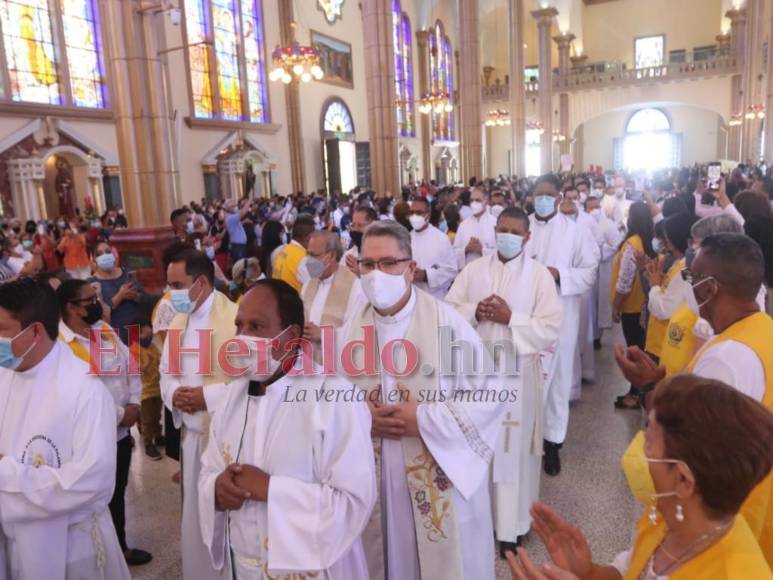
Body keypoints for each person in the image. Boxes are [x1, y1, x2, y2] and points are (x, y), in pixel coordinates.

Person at [340, 220, 507, 580]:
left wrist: (424, 419)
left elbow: (491, 396)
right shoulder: (350, 329)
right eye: (367, 265)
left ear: (410, 268)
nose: (375, 274)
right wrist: (361, 415)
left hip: (435, 470)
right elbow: (331, 398)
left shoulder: (448, 324)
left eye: (388, 263)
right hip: (374, 480)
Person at [509, 375, 773, 580]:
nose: (641, 452)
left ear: (683, 480)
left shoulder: (736, 572)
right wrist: (590, 573)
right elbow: (633, 570)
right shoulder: (667, 516)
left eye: (649, 442)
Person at [198, 280, 376, 578]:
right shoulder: (232, 396)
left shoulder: (333, 397)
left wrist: (268, 488)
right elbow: (209, 469)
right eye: (239, 326)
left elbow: (353, 501)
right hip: (243, 565)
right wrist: (216, 488)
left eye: (257, 326)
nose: (243, 337)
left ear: (291, 336)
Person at [615, 233, 773, 566]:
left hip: (717, 535)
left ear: (711, 288)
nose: (689, 285)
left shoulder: (727, 358)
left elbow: (694, 448)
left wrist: (646, 390)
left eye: (693, 277)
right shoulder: (761, 329)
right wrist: (660, 382)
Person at [446, 207, 562, 556]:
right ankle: (481, 521)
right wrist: (474, 311)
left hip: (518, 376)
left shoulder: (540, 276)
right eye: (503, 229)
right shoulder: (473, 270)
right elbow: (449, 309)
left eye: (515, 231)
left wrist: (513, 318)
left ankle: (512, 527)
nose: (507, 236)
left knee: (513, 451)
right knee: (480, 448)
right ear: (495, 230)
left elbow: (551, 326)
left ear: (527, 238)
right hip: (477, 375)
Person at [0, 278, 131, 579]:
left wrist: (6, 473)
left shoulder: (84, 390)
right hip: (13, 541)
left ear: (34, 331)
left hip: (73, 550)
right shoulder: (4, 375)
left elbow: (93, 482)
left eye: (1, 330)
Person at [57, 279, 152, 567]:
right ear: (71, 308)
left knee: (117, 492)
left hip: (120, 434)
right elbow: (79, 396)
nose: (98, 304)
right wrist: (124, 414)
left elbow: (129, 366)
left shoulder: (104, 331)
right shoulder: (61, 346)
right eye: (90, 300)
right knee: (92, 501)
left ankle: (119, 549)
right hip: (89, 439)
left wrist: (134, 403)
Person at [160, 249, 239, 580]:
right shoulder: (179, 320)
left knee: (225, 520)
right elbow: (166, 370)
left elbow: (249, 381)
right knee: (195, 518)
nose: (171, 294)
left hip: (224, 439)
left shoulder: (235, 318)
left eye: (177, 284)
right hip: (192, 439)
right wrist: (174, 392)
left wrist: (207, 397)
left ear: (202, 282)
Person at [525, 174, 599, 475]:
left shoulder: (574, 231)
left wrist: (560, 275)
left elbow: (590, 272)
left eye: (548, 195)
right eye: (537, 194)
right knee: (525, 377)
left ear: (558, 198)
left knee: (556, 379)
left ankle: (553, 442)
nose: (542, 199)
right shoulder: (521, 226)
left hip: (560, 314)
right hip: (523, 316)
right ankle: (524, 439)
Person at [610, 202, 656, 410]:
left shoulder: (632, 244)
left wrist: (616, 305)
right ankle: (637, 391)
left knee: (634, 349)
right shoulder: (646, 241)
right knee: (640, 348)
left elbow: (625, 281)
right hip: (642, 304)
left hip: (631, 305)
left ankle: (637, 393)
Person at [641, 212, 695, 364]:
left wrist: (655, 286)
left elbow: (665, 310)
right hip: (663, 341)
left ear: (671, 241)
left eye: (665, 237)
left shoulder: (685, 270)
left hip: (668, 343)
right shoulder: (680, 264)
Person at [300, 231, 360, 360]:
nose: (309, 261)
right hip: (307, 363)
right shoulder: (308, 284)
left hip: (337, 366)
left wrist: (323, 335)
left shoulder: (354, 286)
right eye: (308, 254)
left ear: (332, 255)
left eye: (314, 255)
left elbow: (355, 333)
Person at [90, 240, 145, 344]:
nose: (105, 256)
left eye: (107, 252)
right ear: (94, 259)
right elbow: (100, 314)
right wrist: (120, 296)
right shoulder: (92, 283)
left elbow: (144, 298)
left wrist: (135, 296)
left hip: (138, 331)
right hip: (115, 337)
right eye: (99, 254)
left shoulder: (127, 273)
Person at [585, 195, 620, 350]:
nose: (594, 211)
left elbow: (615, 245)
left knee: (600, 304)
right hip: (587, 270)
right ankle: (588, 336)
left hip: (604, 269)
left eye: (596, 207)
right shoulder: (582, 224)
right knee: (588, 305)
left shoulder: (609, 224)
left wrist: (600, 250)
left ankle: (597, 337)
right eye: (590, 208)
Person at [407, 197, 458, 299]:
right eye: (411, 212)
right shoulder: (405, 238)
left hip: (434, 298)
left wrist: (426, 275)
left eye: (418, 213)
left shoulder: (441, 238)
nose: (414, 216)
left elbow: (451, 270)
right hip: (410, 298)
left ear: (428, 215)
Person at [452, 187, 497, 269]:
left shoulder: (495, 223)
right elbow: (453, 252)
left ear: (486, 201)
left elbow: (501, 253)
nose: (474, 203)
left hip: (489, 273)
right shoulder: (463, 225)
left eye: (477, 200)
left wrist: (482, 250)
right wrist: (465, 249)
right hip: (468, 272)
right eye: (471, 200)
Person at [138, 320, 164, 460]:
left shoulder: (153, 347)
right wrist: (146, 365)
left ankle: (158, 436)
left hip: (157, 388)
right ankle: (148, 444)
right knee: (147, 420)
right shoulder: (134, 349)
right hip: (144, 392)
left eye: (150, 335)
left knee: (156, 416)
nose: (148, 338)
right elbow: (133, 371)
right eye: (145, 335)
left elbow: (160, 360)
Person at [272, 214, 314, 293]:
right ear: (309, 238)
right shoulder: (305, 258)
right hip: (295, 302)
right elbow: (324, 283)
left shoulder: (283, 250)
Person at [343, 205, 377, 275]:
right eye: (353, 225)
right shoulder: (349, 255)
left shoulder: (384, 253)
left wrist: (360, 274)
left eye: (359, 225)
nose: (355, 229)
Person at [224, 199, 249, 263]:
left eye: (234, 206)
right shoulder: (230, 217)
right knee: (241, 264)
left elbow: (236, 225)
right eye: (232, 206)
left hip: (239, 245)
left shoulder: (231, 216)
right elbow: (243, 213)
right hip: (238, 246)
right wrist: (249, 201)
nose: (235, 207)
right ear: (227, 208)